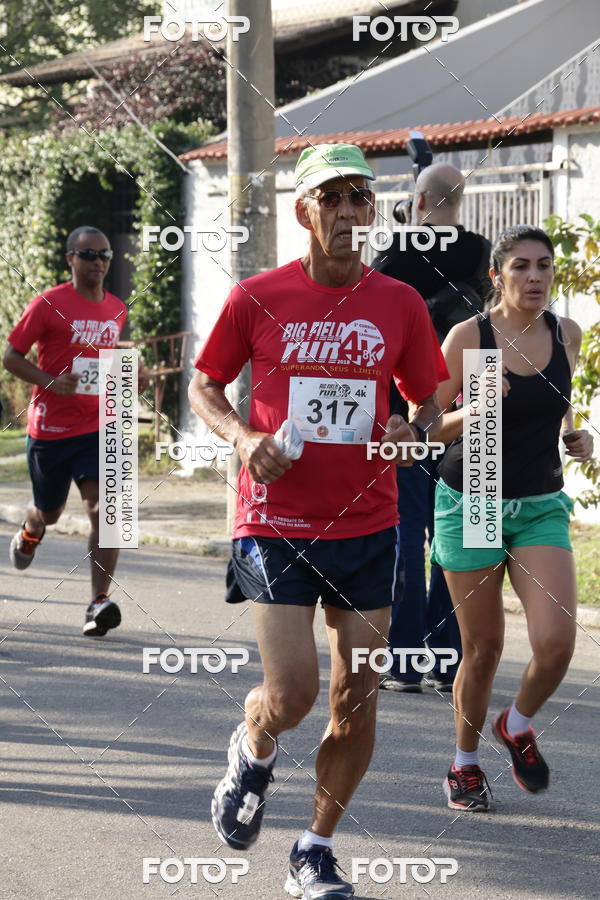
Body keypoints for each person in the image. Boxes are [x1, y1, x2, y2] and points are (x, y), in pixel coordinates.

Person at [188, 143, 448, 899]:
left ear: (372, 210)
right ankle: (256, 741)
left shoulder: (398, 303)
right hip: (274, 520)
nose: (343, 212)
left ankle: (314, 848)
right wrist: (242, 439)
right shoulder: (258, 296)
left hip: (368, 522)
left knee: (356, 700)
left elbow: (426, 400)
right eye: (327, 198)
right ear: (303, 210)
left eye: (357, 199)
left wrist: (411, 426)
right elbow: (207, 386)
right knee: (295, 693)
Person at [430, 224, 593, 811]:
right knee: (484, 649)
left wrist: (578, 436)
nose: (535, 277)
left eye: (544, 266)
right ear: (497, 276)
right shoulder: (468, 336)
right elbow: (424, 426)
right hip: (473, 494)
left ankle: (516, 724)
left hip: (538, 503)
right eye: (521, 266)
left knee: (555, 643)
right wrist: (472, 409)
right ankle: (464, 763)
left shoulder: (565, 333)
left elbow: (555, 407)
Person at [372, 163, 491, 692]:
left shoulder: (396, 253)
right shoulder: (481, 251)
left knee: (407, 537)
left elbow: (371, 312)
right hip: (466, 412)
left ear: (417, 202)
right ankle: (447, 658)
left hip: (407, 413)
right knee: (456, 535)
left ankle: (403, 660)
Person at [3, 226, 143, 637]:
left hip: (99, 425)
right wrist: (48, 381)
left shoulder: (118, 307)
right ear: (71, 259)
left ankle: (98, 602)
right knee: (50, 512)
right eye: (88, 254)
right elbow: (12, 356)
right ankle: (31, 529)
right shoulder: (48, 304)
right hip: (50, 429)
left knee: (107, 511)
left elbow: (112, 356)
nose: (98, 261)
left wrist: (135, 370)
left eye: (104, 255)